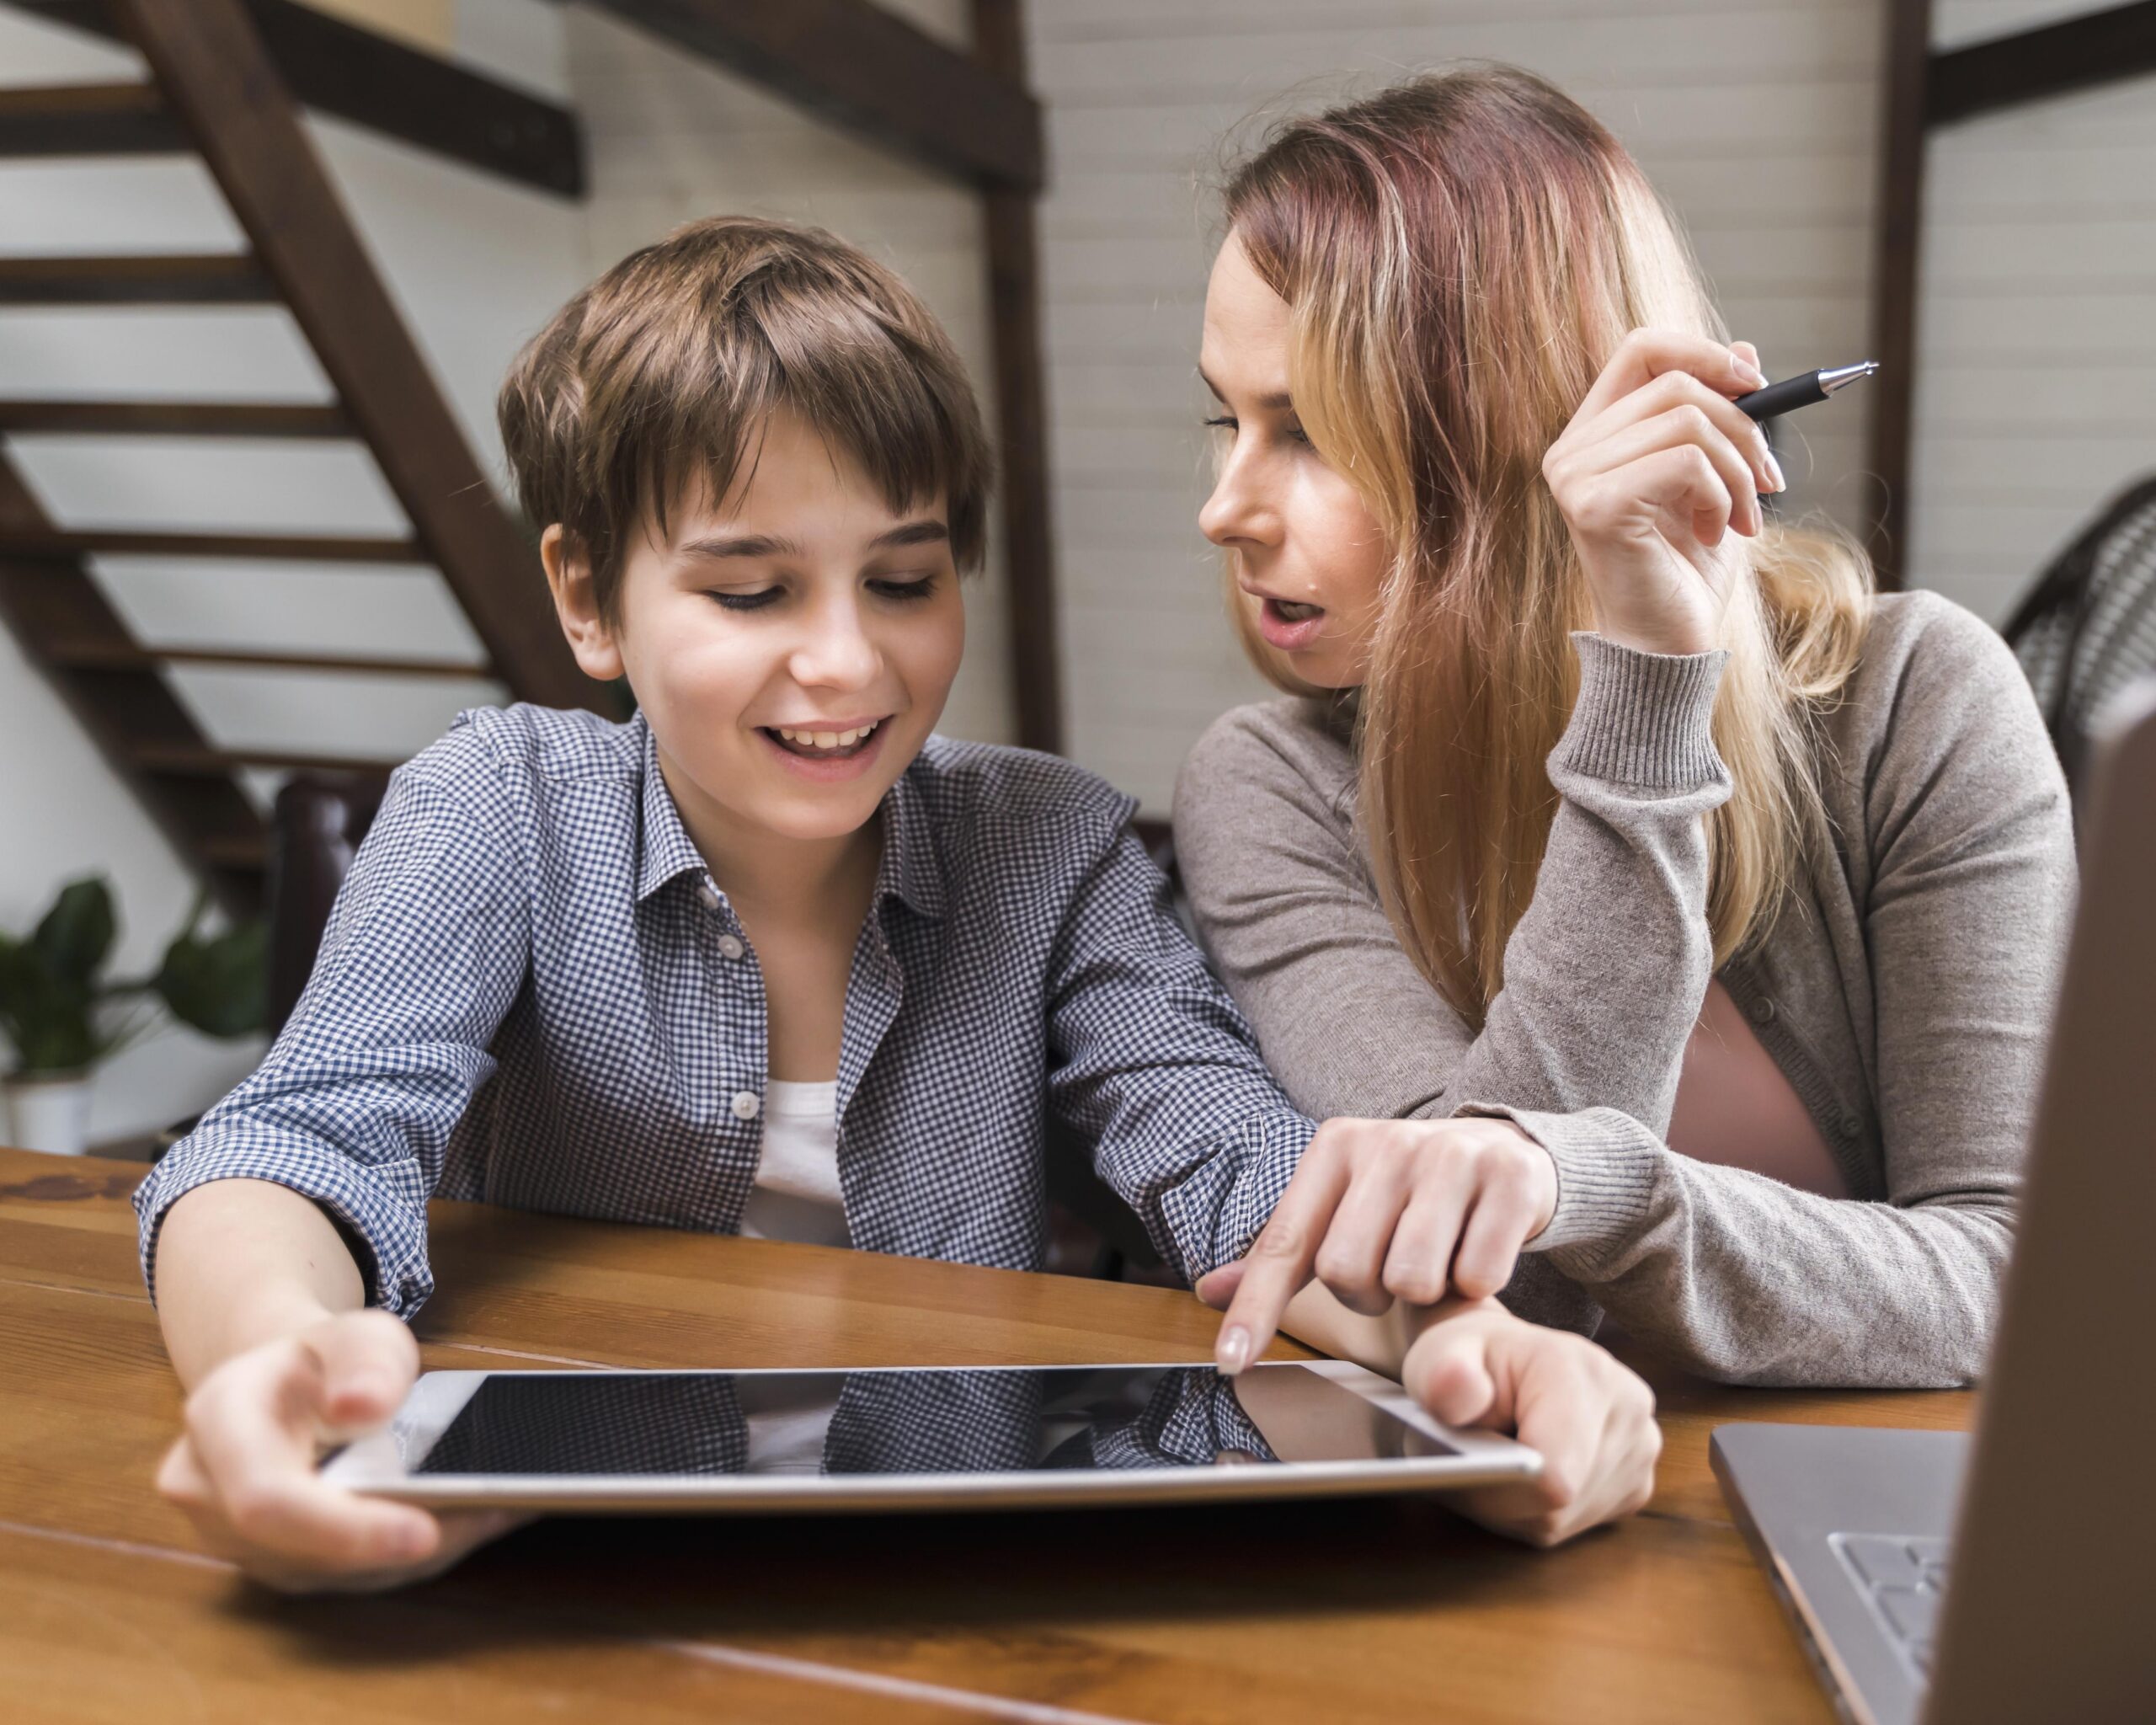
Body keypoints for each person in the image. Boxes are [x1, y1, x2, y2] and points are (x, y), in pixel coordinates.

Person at [137, 216, 1658, 1591]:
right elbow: (293, 1140)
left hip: (950, 1576)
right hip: (550, 1558)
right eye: (751, 593)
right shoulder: (501, 802)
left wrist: (1470, 1356)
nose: (848, 665)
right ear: (591, 599)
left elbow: (1242, 1174)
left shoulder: (1046, 842)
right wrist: (282, 1364)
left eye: (903, 581)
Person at [1173, 67, 2075, 1388]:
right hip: (1536, 1520)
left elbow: (2013, 1285)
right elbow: (1492, 1273)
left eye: (1309, 433)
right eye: (1226, 419)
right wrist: (1646, 700)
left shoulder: (1914, 703)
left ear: (1521, 440)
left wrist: (1596, 1187)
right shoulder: (1270, 787)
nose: (1226, 508)